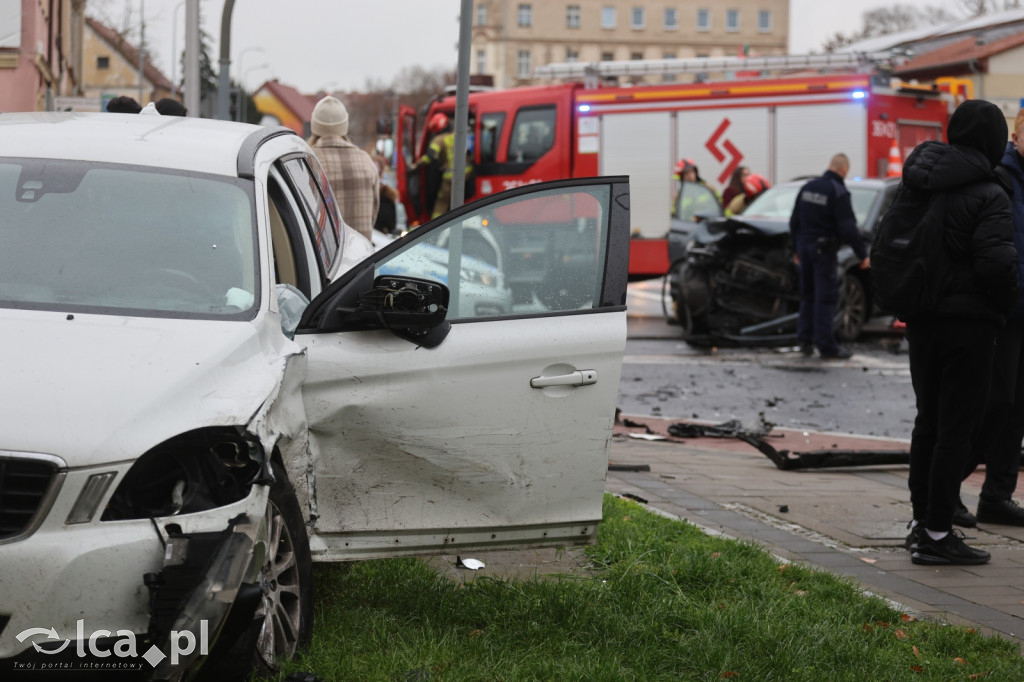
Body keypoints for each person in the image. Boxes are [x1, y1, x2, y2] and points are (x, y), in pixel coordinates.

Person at [898, 99, 1018, 565]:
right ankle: (937, 532)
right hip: (969, 324)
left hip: (922, 320)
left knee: (927, 422)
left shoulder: (919, 181)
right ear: (993, 140)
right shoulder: (989, 192)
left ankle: (919, 523)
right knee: (957, 429)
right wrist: (1003, 306)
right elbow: (997, 264)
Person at [960, 107, 1024, 528]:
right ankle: (944, 491)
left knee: (1017, 409)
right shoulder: (1000, 177)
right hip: (1002, 311)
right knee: (992, 405)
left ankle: (997, 496)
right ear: (1016, 137)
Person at [788, 154, 869, 359]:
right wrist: (862, 255)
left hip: (804, 248)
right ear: (844, 170)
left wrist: (795, 249)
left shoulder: (808, 187)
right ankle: (826, 346)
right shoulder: (837, 190)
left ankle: (805, 340)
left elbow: (794, 221)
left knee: (808, 296)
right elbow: (848, 227)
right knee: (825, 298)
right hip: (823, 252)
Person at [308, 96, 379, 241]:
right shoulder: (366, 162)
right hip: (361, 252)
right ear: (344, 126)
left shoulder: (308, 161)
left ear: (314, 126)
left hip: (322, 254)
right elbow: (373, 214)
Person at [413, 113, 456, 219]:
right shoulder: (457, 135)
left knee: (440, 204)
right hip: (468, 174)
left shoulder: (438, 139)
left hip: (451, 177)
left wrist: (416, 165)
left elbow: (430, 156)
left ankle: (436, 225)